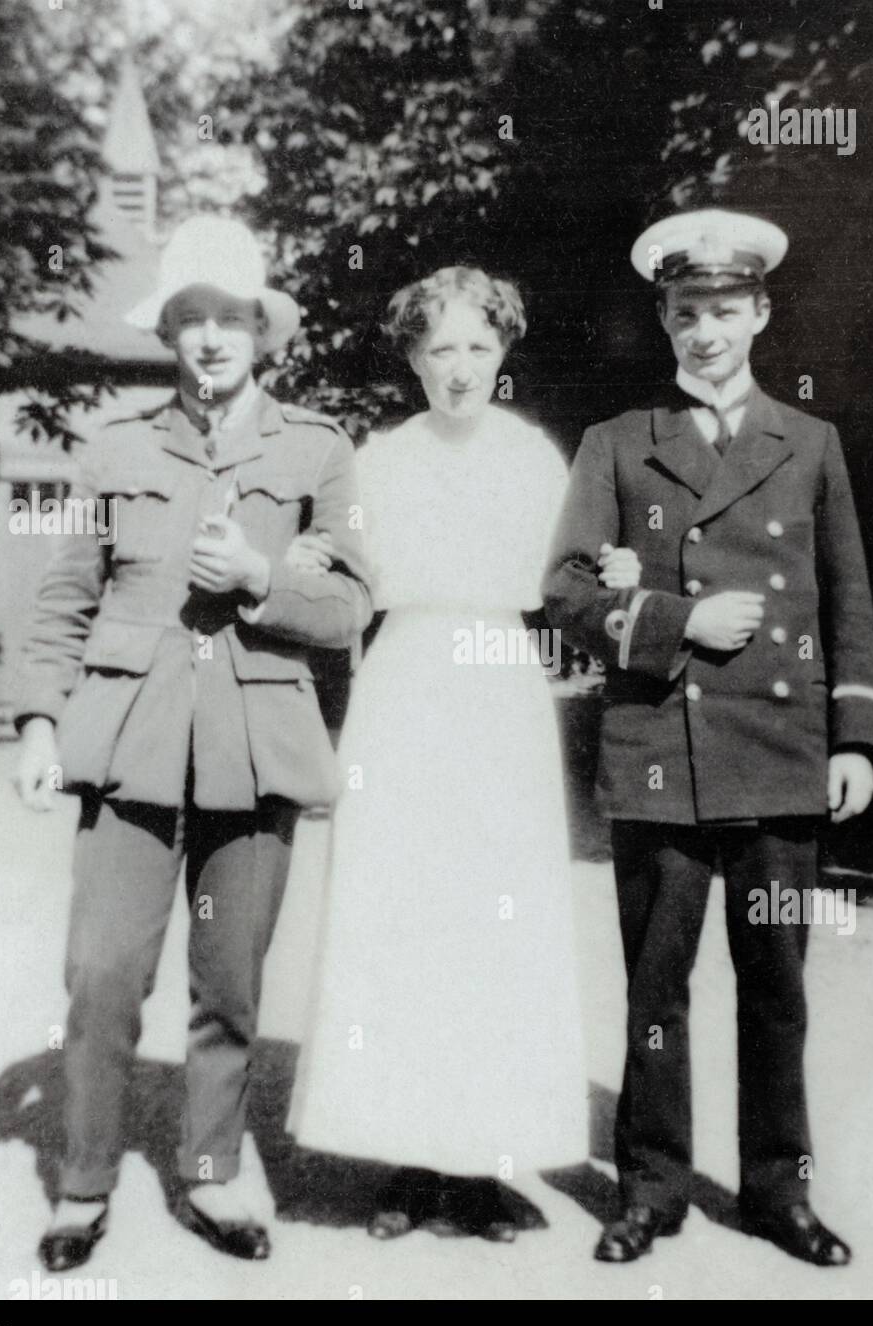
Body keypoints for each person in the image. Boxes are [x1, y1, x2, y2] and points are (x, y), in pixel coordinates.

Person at [11, 215, 372, 1271]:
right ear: (169, 333)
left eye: (231, 318)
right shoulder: (117, 445)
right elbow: (64, 600)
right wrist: (39, 720)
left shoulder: (316, 447)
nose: (212, 337)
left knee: (230, 983)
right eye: (190, 319)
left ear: (262, 331)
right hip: (129, 746)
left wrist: (262, 580)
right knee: (103, 973)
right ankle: (84, 1183)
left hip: (255, 741)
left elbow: (349, 607)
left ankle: (212, 1174)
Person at [544, 207, 873, 1266]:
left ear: (760, 313)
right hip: (659, 751)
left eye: (724, 310)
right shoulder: (617, 442)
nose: (705, 331)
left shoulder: (810, 442)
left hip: (782, 757)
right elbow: (559, 589)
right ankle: (648, 1187)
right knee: (657, 986)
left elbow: (849, 604)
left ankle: (778, 1190)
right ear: (662, 316)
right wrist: (672, 620)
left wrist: (853, 741)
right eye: (685, 311)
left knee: (776, 986)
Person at [289, 267, 622, 1240]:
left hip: (495, 692)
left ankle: (481, 1160)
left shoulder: (532, 459)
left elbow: (560, 582)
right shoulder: (379, 458)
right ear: (413, 357)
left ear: (503, 351)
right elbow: (348, 574)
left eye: (479, 347)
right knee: (401, 914)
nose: (461, 368)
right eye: (441, 349)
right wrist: (311, 558)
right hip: (406, 687)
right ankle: (406, 1155)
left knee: (493, 916)